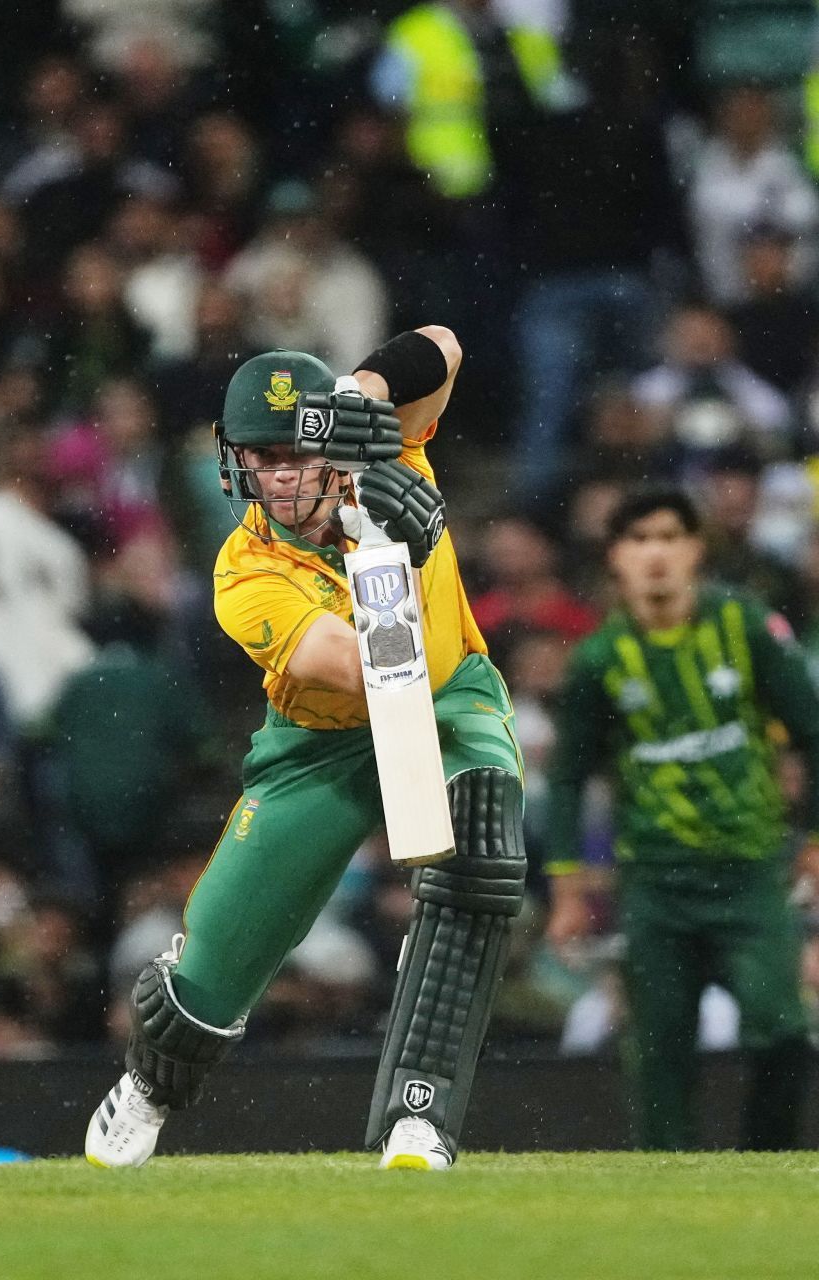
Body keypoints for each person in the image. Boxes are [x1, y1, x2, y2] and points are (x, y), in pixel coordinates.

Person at [85, 327, 528, 1171]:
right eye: (263, 459)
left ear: (330, 437)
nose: (282, 477)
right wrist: (397, 544)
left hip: (448, 700)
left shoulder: (390, 446)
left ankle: (419, 1117)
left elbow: (446, 345)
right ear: (235, 462)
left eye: (297, 452)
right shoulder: (242, 571)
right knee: (213, 969)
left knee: (478, 855)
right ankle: (149, 1082)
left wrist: (363, 391)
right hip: (320, 740)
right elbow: (364, 674)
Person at [542, 490, 817, 1150]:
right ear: (616, 557)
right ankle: (666, 1191)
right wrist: (569, 890)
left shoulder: (744, 626)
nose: (656, 553)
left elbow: (813, 732)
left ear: (696, 549)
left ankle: (767, 1164)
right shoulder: (599, 660)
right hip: (656, 882)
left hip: (750, 872)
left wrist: (812, 841)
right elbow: (569, 779)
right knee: (661, 1051)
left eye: (669, 537)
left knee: (781, 1030)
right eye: (638, 540)